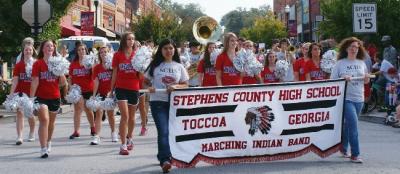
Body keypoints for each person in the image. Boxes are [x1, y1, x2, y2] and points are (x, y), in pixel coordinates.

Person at [144, 38, 189, 173]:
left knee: (171, 132)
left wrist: (176, 86)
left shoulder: (179, 66)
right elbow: (145, 81)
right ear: (161, 50)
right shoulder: (154, 65)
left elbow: (186, 84)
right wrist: (149, 87)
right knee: (163, 131)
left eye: (171, 48)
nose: (168, 51)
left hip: (175, 103)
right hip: (157, 102)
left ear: (174, 50)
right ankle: (165, 160)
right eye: (165, 48)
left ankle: (163, 154)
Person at [330, 37, 369, 163]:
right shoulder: (340, 64)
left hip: (359, 98)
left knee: (348, 125)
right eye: (351, 46)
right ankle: (355, 154)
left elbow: (366, 80)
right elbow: (332, 81)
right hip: (346, 98)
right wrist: (343, 79)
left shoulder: (361, 63)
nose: (354, 49)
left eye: (356, 47)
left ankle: (343, 147)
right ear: (346, 48)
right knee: (354, 126)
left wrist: (367, 77)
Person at [30, 40, 68, 158]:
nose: (50, 48)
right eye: (47, 46)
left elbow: (62, 83)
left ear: (54, 49)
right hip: (41, 97)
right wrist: (31, 99)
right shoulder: (38, 63)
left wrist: (60, 71)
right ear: (43, 49)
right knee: (44, 120)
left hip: (55, 97)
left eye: (51, 46)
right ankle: (43, 148)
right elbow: (35, 81)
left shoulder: (58, 62)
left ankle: (49, 141)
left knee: (51, 122)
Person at [110, 32, 141, 155]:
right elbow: (114, 74)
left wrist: (143, 68)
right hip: (121, 88)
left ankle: (129, 137)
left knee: (132, 117)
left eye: (133, 39)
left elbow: (140, 75)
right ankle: (123, 145)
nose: (131, 41)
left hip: (134, 88)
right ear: (124, 41)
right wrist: (111, 90)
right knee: (125, 116)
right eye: (129, 39)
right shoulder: (117, 55)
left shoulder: (137, 55)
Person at [10, 44, 36, 145]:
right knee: (19, 112)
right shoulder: (18, 65)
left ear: (32, 51)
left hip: (31, 93)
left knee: (29, 113)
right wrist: (11, 94)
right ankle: (19, 136)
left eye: (30, 50)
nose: (28, 51)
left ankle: (32, 132)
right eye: (26, 50)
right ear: (23, 51)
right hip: (20, 93)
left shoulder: (36, 64)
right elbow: (15, 80)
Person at [91, 46, 118, 144]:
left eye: (105, 52)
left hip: (110, 93)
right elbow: (96, 81)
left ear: (109, 53)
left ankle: (113, 132)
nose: (103, 54)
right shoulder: (97, 68)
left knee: (110, 114)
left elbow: (116, 78)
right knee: (98, 114)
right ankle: (97, 136)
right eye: (101, 52)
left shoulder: (112, 66)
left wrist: (112, 92)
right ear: (99, 55)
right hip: (100, 93)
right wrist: (94, 95)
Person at [68, 43, 95, 139]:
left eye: (83, 49)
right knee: (77, 110)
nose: (81, 51)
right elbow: (70, 78)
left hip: (88, 89)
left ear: (86, 51)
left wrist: (92, 65)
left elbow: (95, 75)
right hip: (77, 91)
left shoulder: (89, 63)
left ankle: (93, 127)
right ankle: (76, 131)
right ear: (77, 52)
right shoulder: (73, 64)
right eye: (79, 50)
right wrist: (71, 88)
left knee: (88, 110)